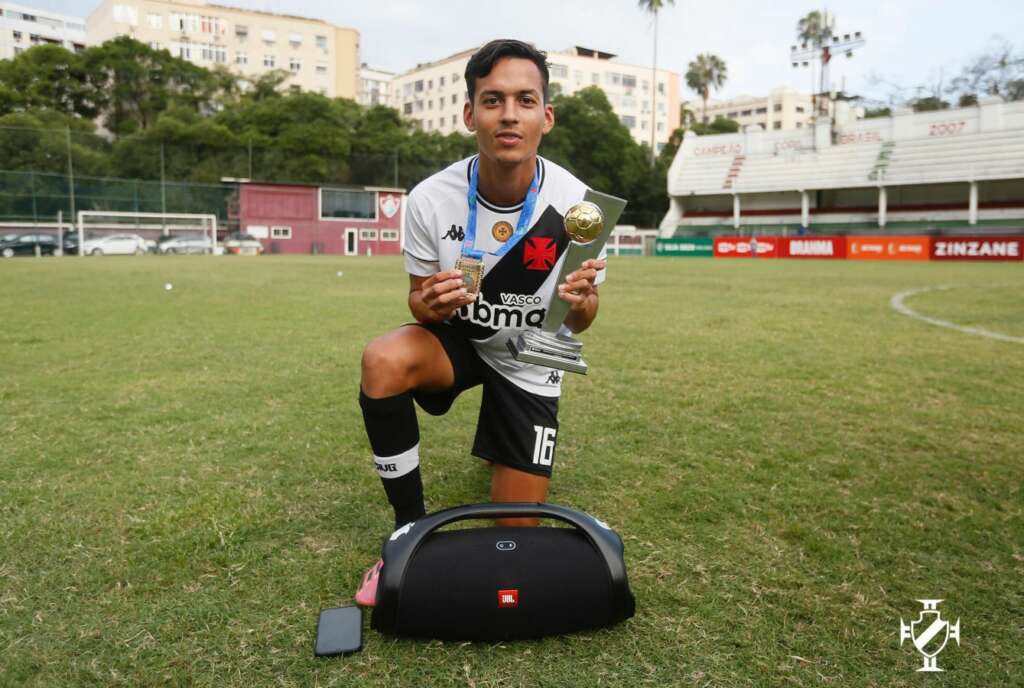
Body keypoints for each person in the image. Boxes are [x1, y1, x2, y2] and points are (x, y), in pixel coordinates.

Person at [355, 39, 607, 606]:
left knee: (515, 537)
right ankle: (406, 530)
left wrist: (583, 299)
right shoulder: (430, 198)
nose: (509, 114)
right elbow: (418, 300)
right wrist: (432, 304)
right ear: (470, 114)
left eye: (525, 99)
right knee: (383, 358)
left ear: (547, 115)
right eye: (492, 100)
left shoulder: (578, 206)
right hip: (464, 341)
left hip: (534, 356)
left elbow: (583, 320)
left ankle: (506, 438)